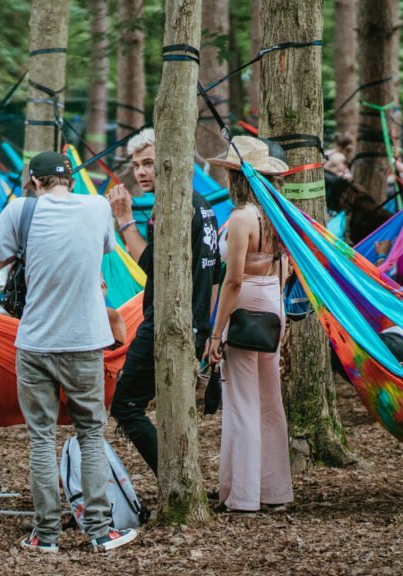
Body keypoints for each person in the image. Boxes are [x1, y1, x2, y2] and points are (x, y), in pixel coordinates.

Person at [0, 151, 137, 553]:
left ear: (35, 181)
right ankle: (100, 531)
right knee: (91, 436)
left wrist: (19, 252)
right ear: (71, 180)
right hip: (84, 343)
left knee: (41, 439)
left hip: (35, 344)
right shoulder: (98, 207)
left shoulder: (19, 211)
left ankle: (45, 536)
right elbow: (103, 253)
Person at [107, 127, 221, 476]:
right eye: (136, 165)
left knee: (126, 406)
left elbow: (152, 267)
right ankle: (182, 479)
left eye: (149, 164)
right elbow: (214, 274)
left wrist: (125, 220)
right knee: (174, 407)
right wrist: (208, 327)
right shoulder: (203, 206)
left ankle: (175, 479)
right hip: (194, 323)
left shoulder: (172, 208)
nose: (141, 172)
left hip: (167, 323)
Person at [205, 136, 294, 514]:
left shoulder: (242, 217)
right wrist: (282, 317)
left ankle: (242, 496)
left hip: (244, 304)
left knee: (241, 401)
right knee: (269, 400)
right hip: (272, 299)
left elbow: (234, 280)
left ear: (238, 178)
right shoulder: (277, 215)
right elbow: (286, 269)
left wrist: (214, 331)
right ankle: (274, 490)